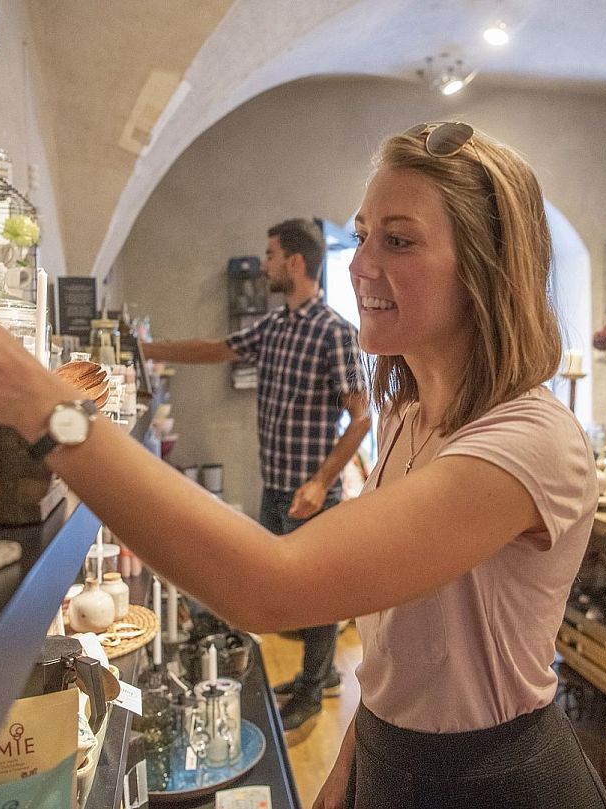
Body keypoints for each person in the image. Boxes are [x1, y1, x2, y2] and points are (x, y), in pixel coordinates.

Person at [0, 121, 606, 808]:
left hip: (498, 784)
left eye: (400, 241)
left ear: (486, 267)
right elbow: (400, 665)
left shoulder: (527, 441)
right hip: (392, 765)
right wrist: (348, 774)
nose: (363, 266)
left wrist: (43, 406)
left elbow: (270, 587)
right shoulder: (412, 417)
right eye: (362, 236)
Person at [141, 217, 371, 733]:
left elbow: (361, 418)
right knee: (290, 592)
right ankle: (320, 674)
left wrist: (319, 482)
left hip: (312, 493)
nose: (263, 264)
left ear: (294, 262)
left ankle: (312, 692)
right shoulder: (277, 324)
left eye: (269, 255)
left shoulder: (335, 332)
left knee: (316, 594)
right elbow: (217, 350)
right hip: (275, 486)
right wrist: (149, 351)